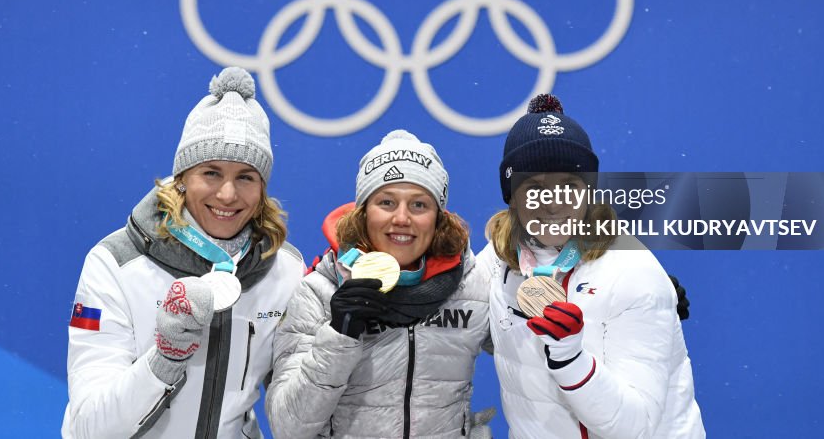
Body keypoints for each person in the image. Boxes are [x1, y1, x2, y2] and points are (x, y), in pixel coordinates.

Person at [62, 67, 304, 438]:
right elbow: (88, 429)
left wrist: (340, 335)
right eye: (210, 172)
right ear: (182, 178)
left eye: (245, 176)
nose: (227, 195)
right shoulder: (116, 263)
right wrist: (165, 357)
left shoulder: (284, 269)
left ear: (262, 188)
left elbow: (297, 416)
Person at [481, 94, 705, 438]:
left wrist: (570, 358)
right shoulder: (497, 261)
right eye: (534, 188)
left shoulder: (633, 274)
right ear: (511, 196)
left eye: (569, 186)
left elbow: (635, 428)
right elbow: (447, 308)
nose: (553, 204)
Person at [266, 129, 494, 438]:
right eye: (386, 202)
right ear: (363, 213)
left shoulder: (474, 285)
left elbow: (531, 361)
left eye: (419, 205)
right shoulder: (321, 291)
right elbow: (287, 427)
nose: (401, 218)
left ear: (439, 218)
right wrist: (339, 336)